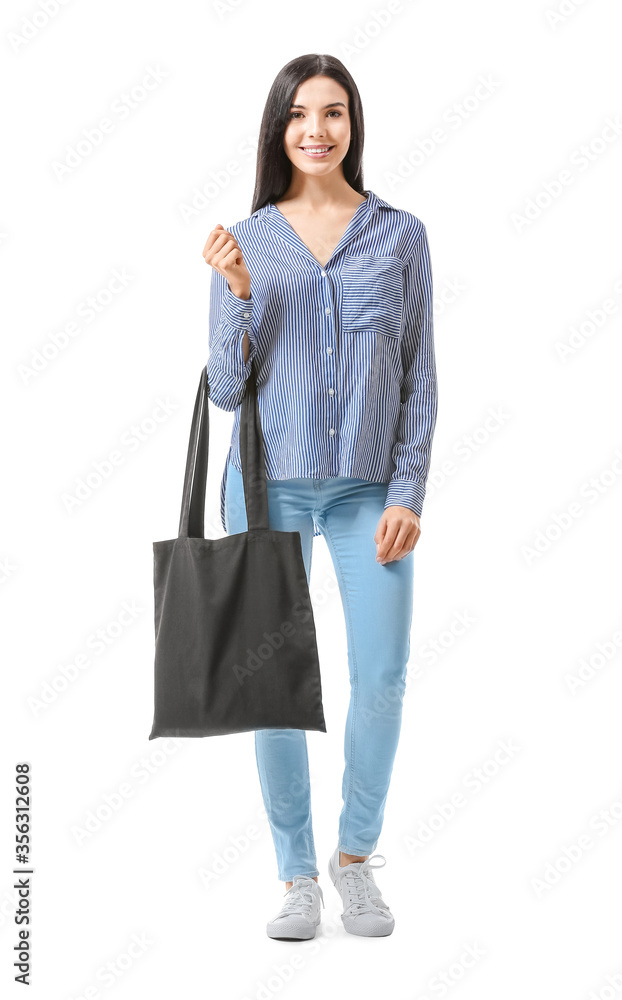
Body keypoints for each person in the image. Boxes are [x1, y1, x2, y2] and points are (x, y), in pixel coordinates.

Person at [202, 53, 438, 940]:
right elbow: (229, 391)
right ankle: (297, 874)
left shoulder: (401, 236)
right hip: (267, 491)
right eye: (300, 114)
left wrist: (408, 490)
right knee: (273, 687)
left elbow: (419, 376)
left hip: (369, 491)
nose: (316, 129)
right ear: (278, 128)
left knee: (381, 673)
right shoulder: (246, 239)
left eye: (333, 112)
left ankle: (355, 861)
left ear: (352, 124)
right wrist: (237, 292)